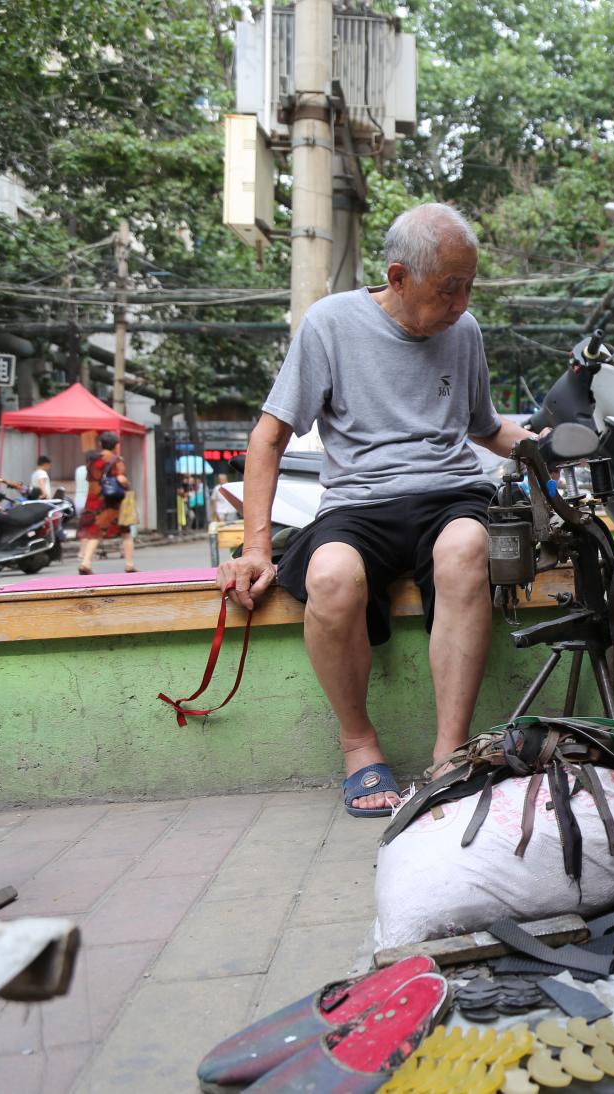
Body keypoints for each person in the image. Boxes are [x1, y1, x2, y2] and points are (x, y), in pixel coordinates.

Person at [216, 203, 532, 818]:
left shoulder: (463, 332)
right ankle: (359, 745)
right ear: (397, 277)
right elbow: (268, 437)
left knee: (467, 548)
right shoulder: (330, 324)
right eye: (448, 289)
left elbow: (486, 427)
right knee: (331, 576)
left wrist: (550, 450)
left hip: (451, 493)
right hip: (360, 501)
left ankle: (449, 754)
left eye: (469, 285)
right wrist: (255, 548)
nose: (462, 302)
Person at [77, 432, 136, 574]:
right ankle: (129, 564)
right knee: (126, 533)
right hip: (112, 502)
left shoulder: (92, 460)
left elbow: (89, 479)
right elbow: (121, 479)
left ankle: (86, 562)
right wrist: (127, 484)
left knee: (95, 533)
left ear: (100, 444)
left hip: (94, 499)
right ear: (116, 445)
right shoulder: (116, 460)